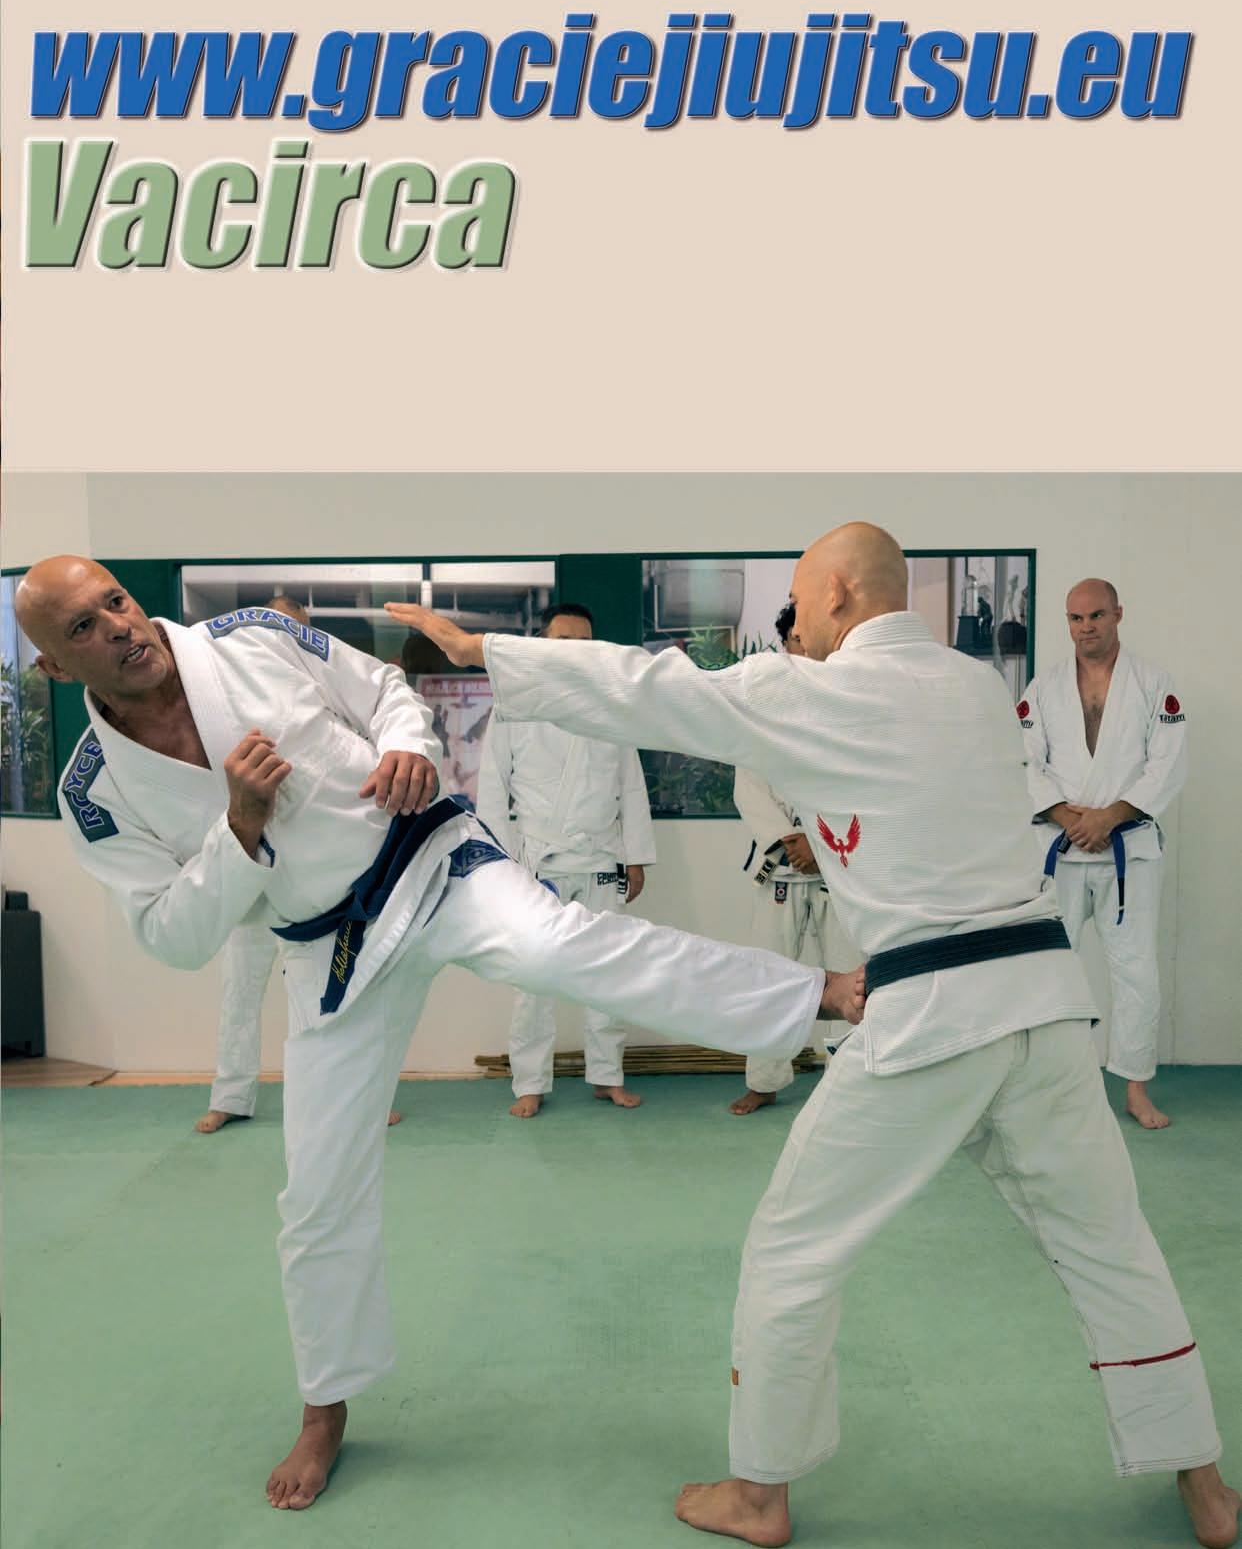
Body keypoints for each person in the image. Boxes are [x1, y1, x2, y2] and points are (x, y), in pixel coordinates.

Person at [386, 524, 1235, 1549]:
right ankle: (1204, 1482)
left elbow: (651, 689)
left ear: (836, 592)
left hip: (928, 1016)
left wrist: (483, 651)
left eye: (799, 601)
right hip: (1047, 1002)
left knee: (792, 1248)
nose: (795, 625)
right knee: (1113, 1248)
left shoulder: (818, 694)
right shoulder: (976, 686)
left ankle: (760, 1491)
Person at [22, 557, 858, 1514]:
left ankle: (818, 994)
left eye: (116, 601)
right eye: (82, 628)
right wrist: (238, 826)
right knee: (317, 1194)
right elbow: (172, 935)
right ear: (54, 667)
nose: (118, 626)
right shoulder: (95, 792)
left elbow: (384, 689)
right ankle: (325, 1406)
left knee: (564, 946)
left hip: (429, 858)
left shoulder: (250, 637)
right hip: (329, 949)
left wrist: (409, 744)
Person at [196, 596, 401, 1135]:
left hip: (319, 879)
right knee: (240, 989)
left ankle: (361, 1097)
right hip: (251, 873)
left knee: (341, 993)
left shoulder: (326, 687)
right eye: (281, 628)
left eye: (299, 630)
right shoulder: (229, 697)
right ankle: (231, 1094)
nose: (289, 639)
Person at [1019, 579, 1188, 1131]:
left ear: (1118, 614)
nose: (1085, 627)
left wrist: (1109, 816)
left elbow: (1167, 763)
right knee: (1048, 971)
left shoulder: (1153, 683)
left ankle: (1136, 1088)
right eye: (1075, 618)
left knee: (1136, 971)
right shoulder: (1043, 688)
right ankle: (1047, 1084)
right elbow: (1024, 761)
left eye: (1096, 615)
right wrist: (1069, 818)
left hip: (1127, 851)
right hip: (1062, 848)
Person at [477, 601, 656, 1116]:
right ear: (542, 645)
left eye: (583, 643)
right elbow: (493, 788)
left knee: (610, 972)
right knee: (534, 978)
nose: (575, 652)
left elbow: (630, 785)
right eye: (563, 642)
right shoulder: (514, 704)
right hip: (539, 861)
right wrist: (498, 862)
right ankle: (529, 1082)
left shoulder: (611, 705)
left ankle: (607, 1075)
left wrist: (636, 856)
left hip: (602, 858)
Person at [729, 633, 862, 1118]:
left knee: (849, 976)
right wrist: (792, 840)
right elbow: (749, 788)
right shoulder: (761, 712)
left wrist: (818, 845)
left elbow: (857, 786)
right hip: (780, 867)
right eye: (795, 641)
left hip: (835, 868)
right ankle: (763, 1081)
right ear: (785, 646)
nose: (803, 650)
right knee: (768, 975)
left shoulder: (849, 709)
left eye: (809, 641)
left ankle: (848, 1081)